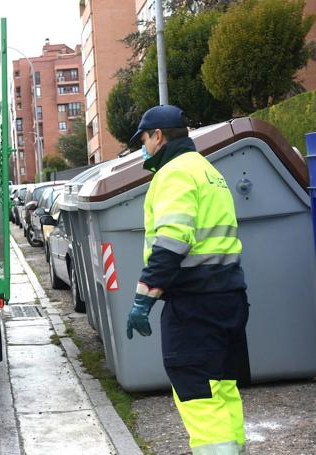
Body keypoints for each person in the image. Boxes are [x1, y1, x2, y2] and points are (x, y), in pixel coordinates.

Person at [126, 105, 250, 455]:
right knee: (223, 388)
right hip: (228, 296)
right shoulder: (208, 171)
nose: (143, 148)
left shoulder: (174, 174)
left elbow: (171, 243)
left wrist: (143, 299)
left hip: (196, 305)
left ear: (159, 136)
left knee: (199, 395)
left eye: (144, 140)